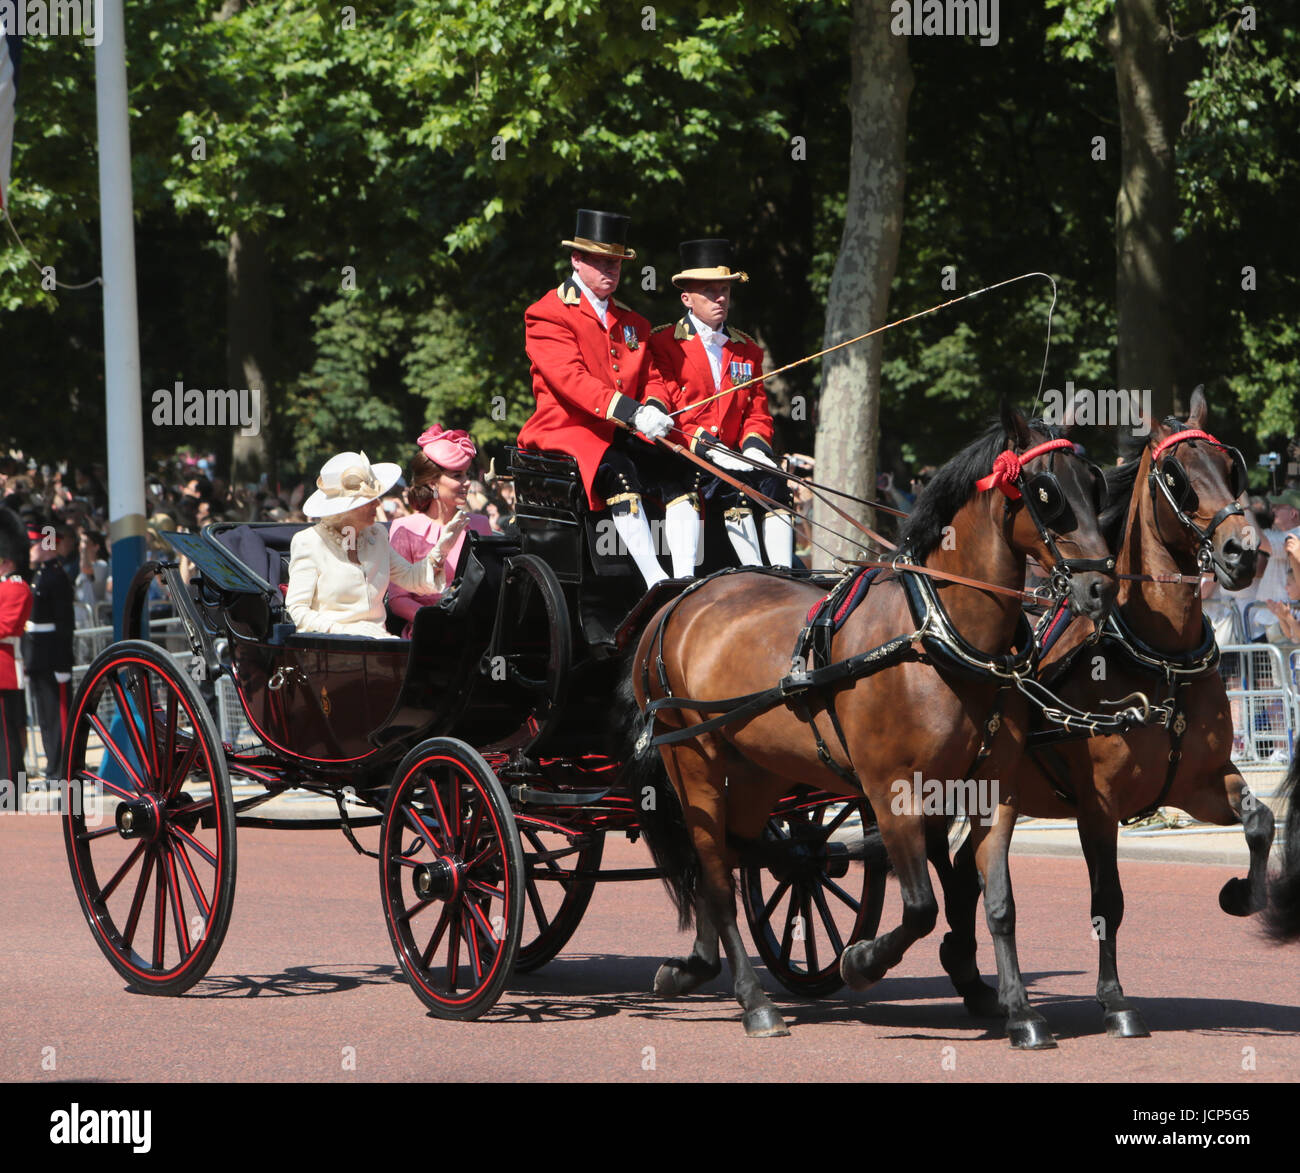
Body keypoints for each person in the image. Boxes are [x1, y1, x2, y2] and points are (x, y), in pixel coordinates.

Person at [517, 208, 690, 588]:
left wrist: (656, 408)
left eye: (615, 262)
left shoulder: (633, 322)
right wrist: (631, 412)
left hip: (621, 429)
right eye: (599, 261)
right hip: (567, 429)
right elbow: (570, 380)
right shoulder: (546, 313)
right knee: (620, 472)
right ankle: (655, 582)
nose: (609, 270)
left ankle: (686, 580)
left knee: (678, 471)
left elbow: (652, 378)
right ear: (576, 260)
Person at [648, 239, 796, 569]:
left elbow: (757, 412)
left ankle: (785, 574)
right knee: (735, 488)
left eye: (725, 291)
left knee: (775, 482)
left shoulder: (747, 350)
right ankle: (753, 573)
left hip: (735, 455)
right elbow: (670, 407)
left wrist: (755, 447)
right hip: (685, 452)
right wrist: (709, 446)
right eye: (710, 291)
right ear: (686, 297)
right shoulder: (663, 343)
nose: (720, 298)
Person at [285, 451, 461, 639]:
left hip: (379, 645)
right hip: (330, 647)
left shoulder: (377, 535)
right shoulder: (309, 542)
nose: (377, 503)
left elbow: (412, 579)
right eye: (368, 500)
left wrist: (441, 550)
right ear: (346, 509)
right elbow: (297, 610)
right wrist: (343, 631)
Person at [388, 426, 493, 637]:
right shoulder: (405, 527)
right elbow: (397, 599)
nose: (467, 483)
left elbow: (489, 587)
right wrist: (436, 622)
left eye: (467, 475)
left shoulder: (480, 524)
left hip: (473, 633)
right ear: (432, 482)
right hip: (425, 634)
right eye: (457, 476)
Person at [23, 513, 75, 779]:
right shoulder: (39, 576)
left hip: (54, 657)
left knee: (59, 716)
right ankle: (53, 765)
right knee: (45, 718)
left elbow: (65, 624)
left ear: (45, 545)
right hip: (38, 657)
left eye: (33, 544)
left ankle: (64, 767)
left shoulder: (57, 577)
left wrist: (64, 662)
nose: (29, 550)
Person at [0, 508, 34, 793]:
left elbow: (7, 626)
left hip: (5, 669)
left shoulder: (16, 588)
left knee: (7, 735)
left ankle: (10, 789)